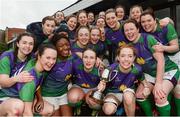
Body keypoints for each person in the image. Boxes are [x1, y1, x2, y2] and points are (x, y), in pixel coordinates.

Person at [123, 19, 180, 116]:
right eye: (126, 30)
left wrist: (158, 83)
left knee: (159, 95)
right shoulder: (130, 47)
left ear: (137, 29)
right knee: (139, 95)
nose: (129, 32)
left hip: (167, 70)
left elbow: (161, 61)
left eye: (131, 29)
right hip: (150, 74)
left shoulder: (148, 39)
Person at [0, 44, 57, 116]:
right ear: (39, 56)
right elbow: (27, 113)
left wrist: (39, 98)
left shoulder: (35, 63)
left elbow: (38, 84)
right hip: (5, 100)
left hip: (20, 97)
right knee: (17, 108)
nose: (51, 62)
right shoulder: (30, 79)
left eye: (54, 58)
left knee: (49, 109)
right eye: (48, 58)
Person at [95, 44, 147, 116]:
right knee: (108, 110)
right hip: (113, 93)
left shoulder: (137, 69)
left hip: (128, 93)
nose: (126, 59)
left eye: (130, 56)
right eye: (123, 56)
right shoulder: (110, 69)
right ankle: (118, 107)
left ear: (134, 58)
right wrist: (101, 86)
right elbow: (102, 82)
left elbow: (143, 80)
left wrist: (146, 87)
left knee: (127, 96)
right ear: (118, 57)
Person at [37, 34, 73, 116]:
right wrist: (39, 99)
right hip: (49, 95)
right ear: (55, 48)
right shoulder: (51, 62)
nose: (65, 48)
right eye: (60, 46)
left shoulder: (71, 57)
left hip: (63, 94)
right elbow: (38, 82)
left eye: (67, 44)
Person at [0, 32, 35, 116]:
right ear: (18, 44)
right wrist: (17, 78)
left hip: (22, 96)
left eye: (31, 44)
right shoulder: (7, 57)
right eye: (24, 43)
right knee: (17, 107)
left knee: (48, 108)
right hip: (5, 95)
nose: (27, 46)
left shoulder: (33, 58)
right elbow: (3, 83)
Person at [67, 48, 101, 115]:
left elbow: (109, 73)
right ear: (82, 58)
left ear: (96, 60)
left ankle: (94, 110)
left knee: (96, 103)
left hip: (92, 89)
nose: (88, 60)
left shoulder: (99, 69)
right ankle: (78, 106)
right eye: (85, 57)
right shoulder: (76, 65)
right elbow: (70, 52)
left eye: (91, 58)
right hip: (78, 88)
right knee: (72, 98)